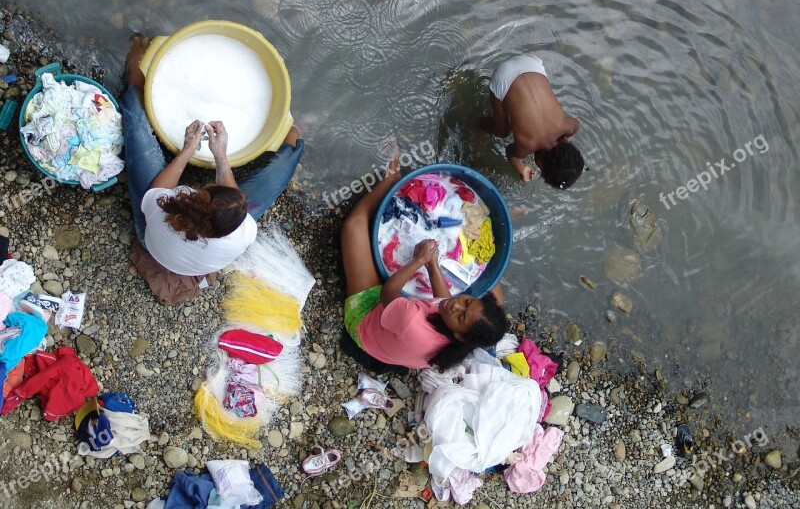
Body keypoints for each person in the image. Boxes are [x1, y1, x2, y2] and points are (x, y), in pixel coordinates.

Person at [119, 35, 304, 276]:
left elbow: (158, 191)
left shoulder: (164, 211)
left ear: (197, 195)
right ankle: (297, 125)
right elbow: (234, 199)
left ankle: (136, 56)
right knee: (290, 149)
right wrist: (220, 156)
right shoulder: (241, 233)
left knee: (134, 108)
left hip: (152, 241)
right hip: (194, 256)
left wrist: (187, 150)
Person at [340, 150, 507, 371]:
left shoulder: (413, 322)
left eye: (461, 316)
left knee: (355, 225)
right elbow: (443, 303)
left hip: (366, 318)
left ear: (459, 335)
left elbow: (387, 293)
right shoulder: (457, 340)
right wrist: (432, 263)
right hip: (398, 330)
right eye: (467, 301)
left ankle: (391, 179)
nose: (456, 304)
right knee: (491, 292)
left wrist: (418, 261)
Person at [480, 54, 585, 188]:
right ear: (540, 163)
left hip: (531, 64)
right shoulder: (527, 145)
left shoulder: (565, 126)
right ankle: (476, 123)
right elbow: (511, 153)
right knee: (502, 132)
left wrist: (565, 137)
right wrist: (521, 169)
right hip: (502, 76)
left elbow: (576, 123)